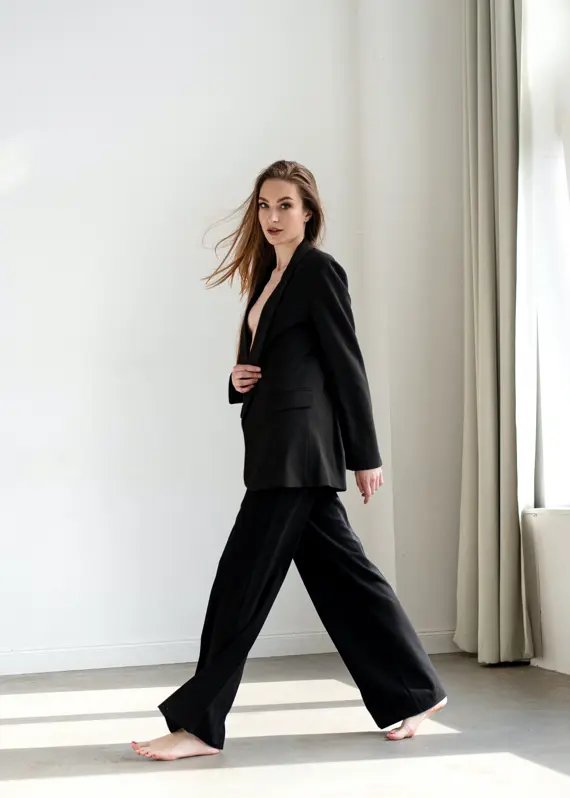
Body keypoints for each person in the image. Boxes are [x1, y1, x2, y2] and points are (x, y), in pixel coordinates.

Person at [131, 160, 447, 761]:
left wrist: (365, 455)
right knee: (346, 579)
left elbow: (346, 365)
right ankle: (416, 691)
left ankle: (198, 726)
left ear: (308, 212)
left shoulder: (318, 271)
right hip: (275, 447)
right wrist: (237, 378)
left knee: (240, 586)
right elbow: (274, 359)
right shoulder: (268, 275)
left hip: (298, 453)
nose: (272, 217)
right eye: (264, 206)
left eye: (285, 206)